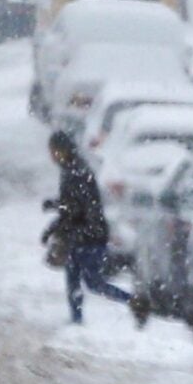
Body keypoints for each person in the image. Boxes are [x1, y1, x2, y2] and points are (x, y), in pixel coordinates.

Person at [43, 129, 129, 325]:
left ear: (61, 150)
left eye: (53, 150)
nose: (51, 155)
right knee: (74, 278)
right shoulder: (72, 169)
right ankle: (76, 318)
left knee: (93, 282)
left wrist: (56, 212)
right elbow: (72, 206)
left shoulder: (76, 172)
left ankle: (133, 302)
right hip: (82, 234)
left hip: (89, 236)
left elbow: (75, 207)